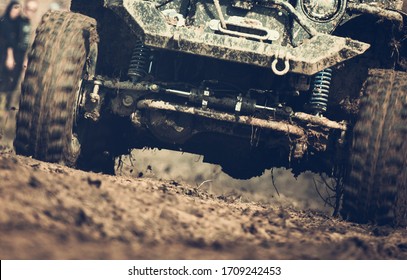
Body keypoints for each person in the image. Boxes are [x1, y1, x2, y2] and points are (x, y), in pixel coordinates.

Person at [0, 0, 37, 110]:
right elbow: (9, 41)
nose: (31, 12)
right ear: (25, 8)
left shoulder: (28, 22)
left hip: (20, 57)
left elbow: (25, 43)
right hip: (10, 57)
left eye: (33, 10)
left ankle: (6, 109)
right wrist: (10, 56)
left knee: (14, 83)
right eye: (29, 9)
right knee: (5, 81)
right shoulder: (16, 21)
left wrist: (25, 59)